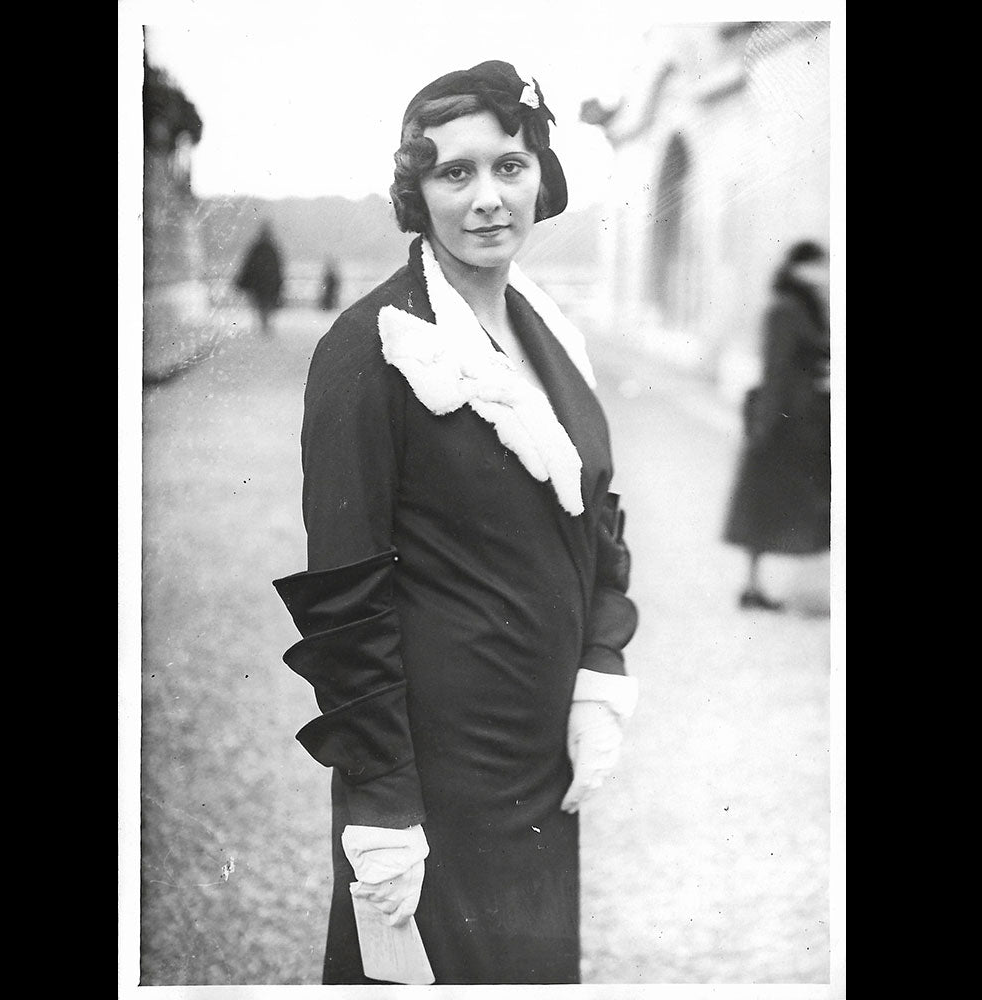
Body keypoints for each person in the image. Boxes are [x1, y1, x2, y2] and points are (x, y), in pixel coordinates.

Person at [273, 60, 639, 985]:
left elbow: (597, 517)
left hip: (540, 748)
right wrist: (383, 802)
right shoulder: (371, 349)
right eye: (454, 172)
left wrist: (601, 668)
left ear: (542, 178)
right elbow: (343, 603)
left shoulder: (548, 330)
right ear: (416, 188)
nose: (487, 199)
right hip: (436, 766)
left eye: (509, 168)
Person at [723, 239, 831, 611]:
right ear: (800, 268)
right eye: (819, 265)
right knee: (765, 502)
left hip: (804, 418)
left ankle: (760, 586)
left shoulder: (803, 306)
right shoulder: (786, 310)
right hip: (790, 421)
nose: (826, 273)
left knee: (777, 502)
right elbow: (777, 370)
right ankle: (754, 587)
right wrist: (764, 427)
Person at [235, 222, 284, 335]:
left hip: (258, 284)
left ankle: (262, 324)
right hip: (268, 284)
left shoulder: (256, 247)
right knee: (267, 305)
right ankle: (265, 325)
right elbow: (278, 268)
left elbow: (248, 265)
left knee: (259, 305)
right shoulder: (273, 249)